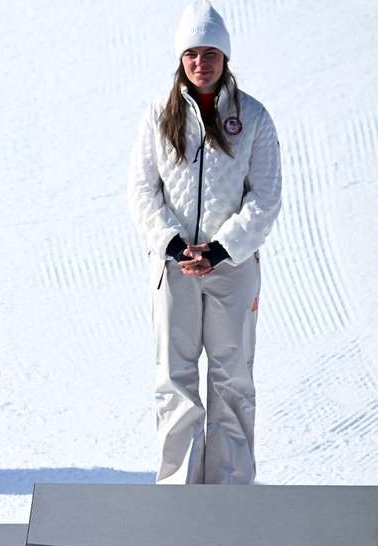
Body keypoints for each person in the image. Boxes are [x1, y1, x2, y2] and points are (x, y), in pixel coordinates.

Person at [127, 0, 282, 485]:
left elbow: (265, 197)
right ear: (181, 58)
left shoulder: (252, 118)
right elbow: (141, 189)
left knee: (232, 377)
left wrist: (220, 249)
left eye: (210, 52)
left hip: (231, 268)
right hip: (173, 269)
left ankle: (230, 494)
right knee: (175, 380)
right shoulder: (159, 115)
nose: (201, 62)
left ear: (225, 57)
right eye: (192, 53)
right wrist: (172, 244)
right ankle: (178, 495)